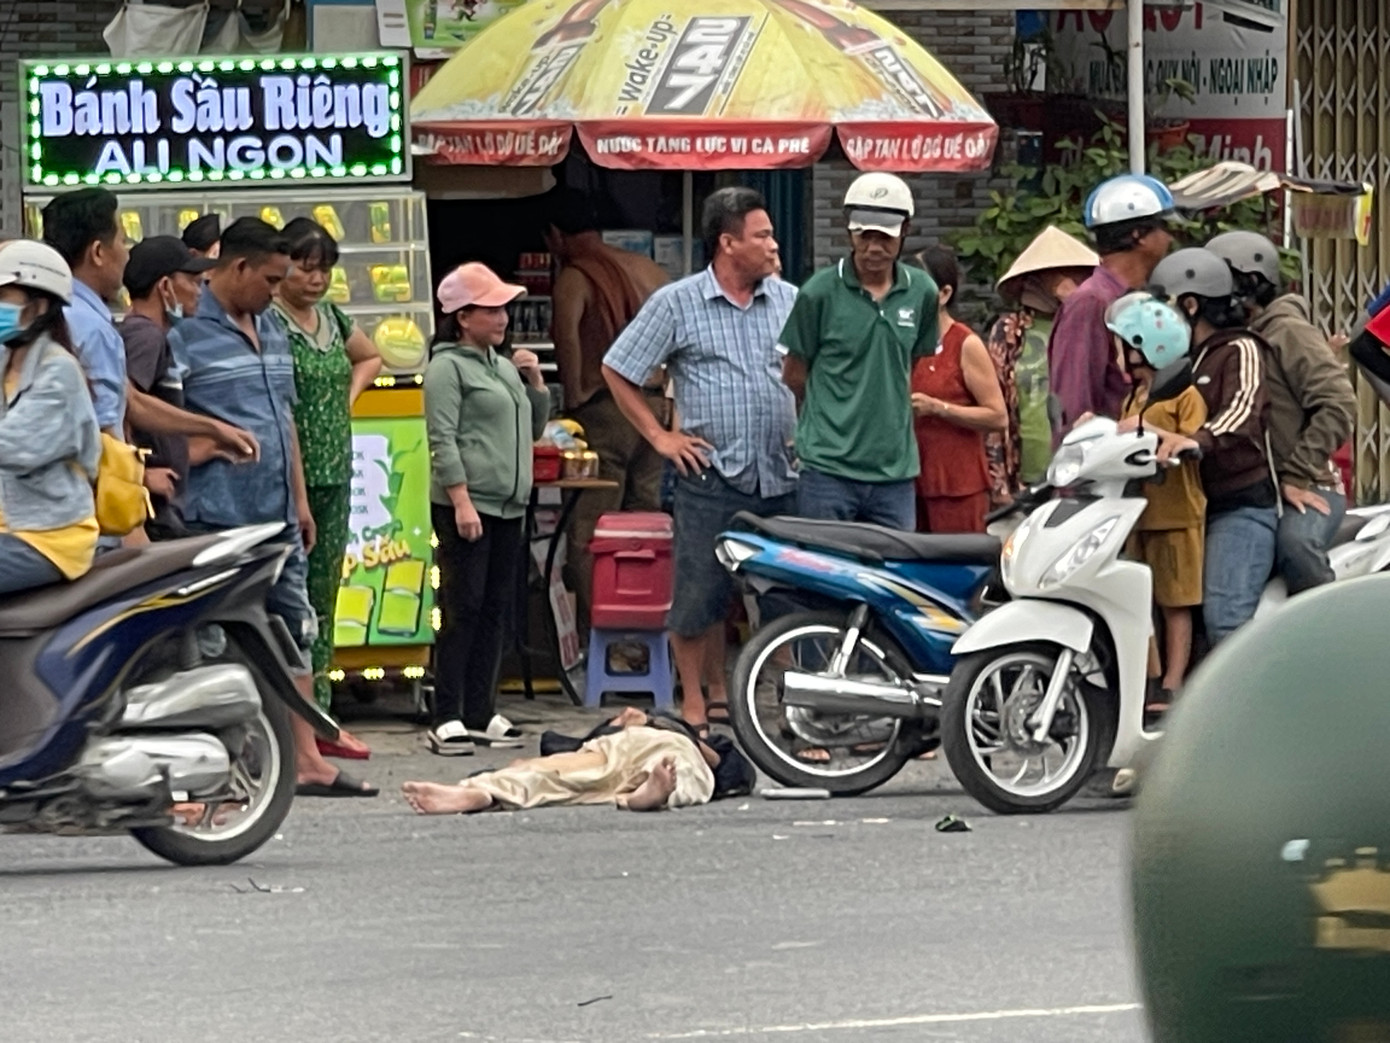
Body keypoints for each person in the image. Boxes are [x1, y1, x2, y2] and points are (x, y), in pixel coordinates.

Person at [169, 217, 376, 798]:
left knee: (296, 628)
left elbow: (283, 422)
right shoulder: (183, 335)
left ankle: (307, 755)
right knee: (213, 639)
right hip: (218, 514)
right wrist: (206, 447)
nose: (278, 289)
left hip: (280, 513)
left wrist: (302, 500)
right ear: (236, 269)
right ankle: (212, 766)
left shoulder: (273, 328)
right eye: (271, 278)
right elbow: (154, 427)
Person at [601, 187, 797, 734]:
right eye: (761, 236)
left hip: (781, 474)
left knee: (785, 602)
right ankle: (694, 709)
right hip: (710, 475)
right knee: (698, 597)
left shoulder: (788, 300)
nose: (772, 245)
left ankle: (788, 715)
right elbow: (617, 369)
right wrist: (661, 438)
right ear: (728, 243)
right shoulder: (677, 302)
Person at [424, 263, 551, 757]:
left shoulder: (501, 366)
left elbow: (534, 428)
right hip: (468, 505)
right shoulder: (446, 368)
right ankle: (448, 712)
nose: (502, 317)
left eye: (503, 308)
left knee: (497, 608)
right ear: (462, 317)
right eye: (490, 309)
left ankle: (482, 707)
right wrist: (460, 498)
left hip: (509, 504)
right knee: (463, 607)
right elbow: (442, 438)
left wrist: (535, 383)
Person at [779, 172, 936, 530]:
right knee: (823, 575)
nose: (873, 248)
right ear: (848, 231)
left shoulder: (922, 292)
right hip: (828, 470)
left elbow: (906, 364)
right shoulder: (817, 293)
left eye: (885, 237)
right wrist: (831, 415)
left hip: (894, 472)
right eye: (865, 235)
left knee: (893, 577)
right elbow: (794, 373)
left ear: (906, 231)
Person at [544, 188, 670, 626]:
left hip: (605, 409)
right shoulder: (651, 270)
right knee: (645, 524)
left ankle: (598, 630)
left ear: (556, 236)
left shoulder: (575, 278)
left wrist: (576, 397)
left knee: (592, 527)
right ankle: (645, 629)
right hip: (656, 410)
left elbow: (570, 345)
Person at [272, 218, 382, 714]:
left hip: (336, 469)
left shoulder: (334, 319)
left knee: (325, 589)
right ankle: (292, 709)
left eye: (324, 270)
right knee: (287, 593)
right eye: (305, 268)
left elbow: (371, 357)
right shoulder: (271, 321)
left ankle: (322, 704)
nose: (315, 280)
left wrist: (346, 398)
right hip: (288, 474)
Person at [1206, 231, 1356, 594]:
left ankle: (1334, 633)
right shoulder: (1235, 339)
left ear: (1251, 283)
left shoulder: (1287, 331)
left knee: (1296, 547)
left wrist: (1297, 474)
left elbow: (1339, 402)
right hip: (1255, 492)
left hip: (1311, 484)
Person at [1151, 248, 1277, 645]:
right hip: (1189, 505)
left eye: (1165, 308)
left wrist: (1196, 440)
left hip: (1237, 505)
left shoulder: (1241, 349)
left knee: (1226, 622)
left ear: (1190, 305)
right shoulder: (1182, 360)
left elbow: (1243, 410)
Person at [119, 236, 260, 539]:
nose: (199, 291)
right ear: (165, 286)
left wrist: (206, 448)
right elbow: (122, 408)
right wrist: (139, 475)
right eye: (193, 282)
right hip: (152, 506)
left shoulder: (154, 335)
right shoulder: (145, 336)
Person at [1107, 293, 1206, 710]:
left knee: (1175, 601)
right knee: (1139, 600)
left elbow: (1193, 439)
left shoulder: (1183, 395)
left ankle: (1172, 682)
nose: (1119, 355)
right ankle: (1146, 676)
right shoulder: (1134, 398)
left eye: (1124, 345)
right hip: (1138, 513)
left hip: (1175, 512)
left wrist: (1152, 431)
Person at [0, 240, 102, 594]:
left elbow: (13, 447)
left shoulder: (58, 373)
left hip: (50, 537)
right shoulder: (5, 363)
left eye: (4, 297)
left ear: (39, 305)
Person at [401, 707, 720, 814]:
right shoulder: (611, 731)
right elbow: (557, 755)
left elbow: (717, 760)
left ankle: (652, 794)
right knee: (555, 774)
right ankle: (481, 792)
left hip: (668, 745)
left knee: (682, 770)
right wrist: (622, 723)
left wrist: (667, 724)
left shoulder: (677, 732)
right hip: (612, 747)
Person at [1049, 175, 1175, 436]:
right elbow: (1074, 401)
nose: (1169, 238)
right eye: (1163, 227)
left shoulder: (1139, 297)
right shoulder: (1091, 302)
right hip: (1104, 465)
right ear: (1137, 235)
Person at [987, 226, 1099, 503]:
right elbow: (995, 403)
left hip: (1083, 470)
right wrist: (999, 482)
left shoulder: (1090, 326)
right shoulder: (1011, 331)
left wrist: (1075, 303)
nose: (1065, 281)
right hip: (1027, 476)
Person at [910, 246, 1006, 533]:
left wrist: (939, 408)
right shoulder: (902, 340)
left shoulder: (965, 343)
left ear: (944, 294)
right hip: (909, 482)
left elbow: (997, 416)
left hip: (957, 483)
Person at [40, 188, 130, 439]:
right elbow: (104, 433)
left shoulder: (37, 311)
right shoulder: (93, 329)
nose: (127, 253)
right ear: (98, 252)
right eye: (123, 241)